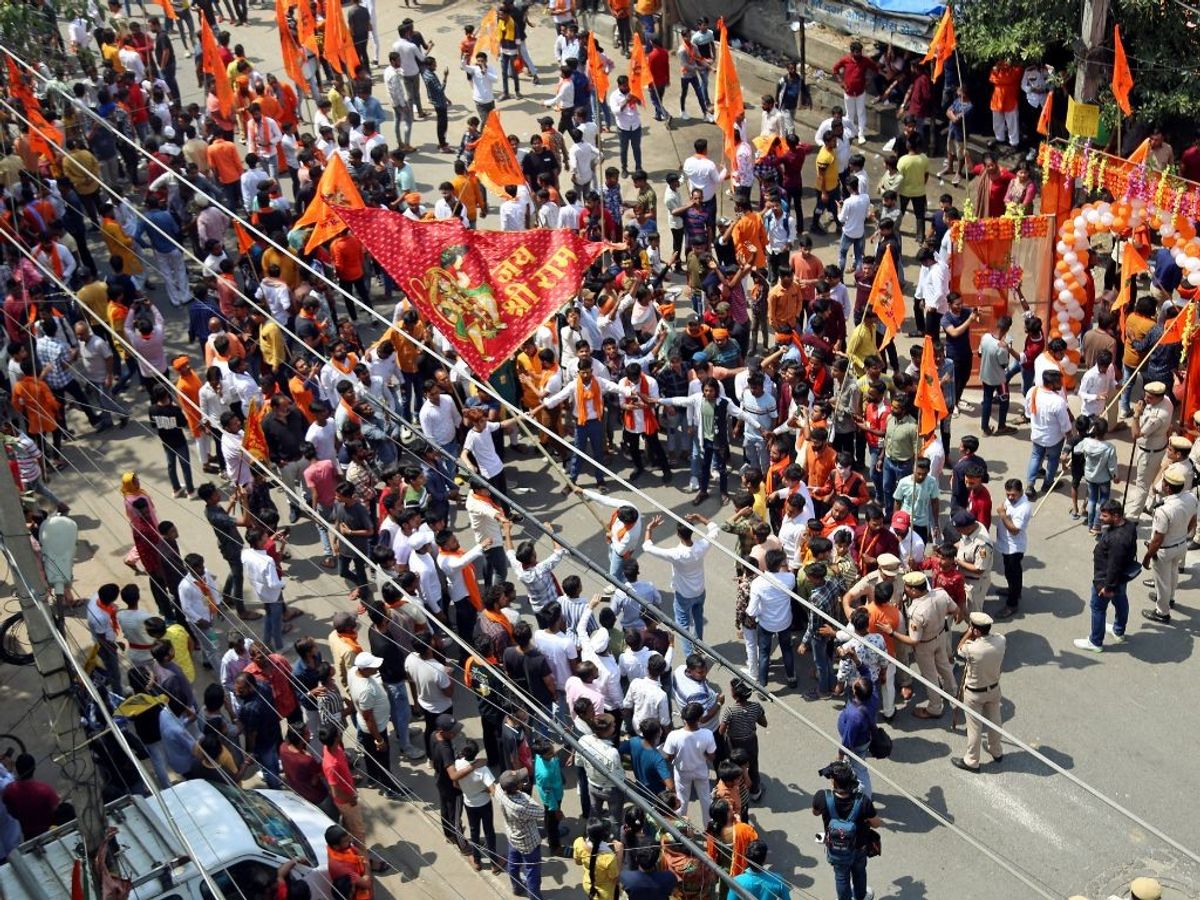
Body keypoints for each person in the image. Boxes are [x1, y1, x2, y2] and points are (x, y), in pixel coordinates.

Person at [641, 512, 718, 656]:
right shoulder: (702, 546)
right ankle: (699, 646)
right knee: (698, 618)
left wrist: (649, 529)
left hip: (683, 595)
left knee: (683, 626)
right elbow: (715, 529)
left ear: (678, 533)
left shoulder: (676, 554)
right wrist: (699, 517)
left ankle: (690, 658)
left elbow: (647, 547)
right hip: (700, 591)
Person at [811, 760, 881, 900]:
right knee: (859, 873)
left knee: (841, 877)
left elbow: (815, 812)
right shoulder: (863, 801)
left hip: (836, 847)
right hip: (858, 846)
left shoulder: (822, 797)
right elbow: (876, 824)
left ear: (834, 782)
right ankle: (861, 897)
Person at [1074, 500, 1138, 652]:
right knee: (1121, 600)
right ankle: (1118, 630)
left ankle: (1095, 642)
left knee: (1098, 608)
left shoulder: (1117, 539)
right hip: (1122, 577)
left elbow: (1114, 566)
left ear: (1116, 516)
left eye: (1104, 516)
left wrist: (1108, 587)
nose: (1100, 518)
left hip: (1106, 579)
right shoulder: (1129, 525)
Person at [952, 611, 1006, 773]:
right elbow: (995, 637)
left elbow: (959, 648)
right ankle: (996, 750)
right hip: (994, 687)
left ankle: (972, 760)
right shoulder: (1001, 641)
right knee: (995, 720)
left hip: (975, 692)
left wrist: (968, 633)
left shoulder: (973, 648)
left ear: (975, 630)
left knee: (974, 727)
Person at [1142, 467, 1197, 624]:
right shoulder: (1191, 498)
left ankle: (1162, 612)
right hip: (1181, 545)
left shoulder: (1163, 510)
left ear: (1167, 487)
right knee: (1173, 574)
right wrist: (1183, 533)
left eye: (1163, 482)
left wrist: (1147, 557)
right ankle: (1169, 599)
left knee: (1162, 582)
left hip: (1165, 550)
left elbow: (1158, 540)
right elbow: (1193, 519)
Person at [662, 700, 716, 823]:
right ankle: (709, 829)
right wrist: (703, 755)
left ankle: (681, 829)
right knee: (706, 800)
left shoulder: (674, 735)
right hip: (701, 770)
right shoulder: (707, 734)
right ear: (699, 718)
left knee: (681, 801)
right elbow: (712, 757)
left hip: (682, 772)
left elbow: (669, 757)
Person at [1126, 381, 1173, 518]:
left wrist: (1136, 414)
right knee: (1152, 480)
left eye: (1149, 398)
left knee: (1142, 485)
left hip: (1148, 453)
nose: (1146, 399)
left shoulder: (1157, 417)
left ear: (1159, 397)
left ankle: (1132, 517)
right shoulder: (1167, 401)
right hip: (1158, 447)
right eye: (1146, 396)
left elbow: (1135, 434)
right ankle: (1150, 504)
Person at [497, 768, 544, 898]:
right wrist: (526, 796)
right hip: (528, 843)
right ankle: (534, 897)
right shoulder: (522, 805)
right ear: (517, 786)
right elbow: (540, 812)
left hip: (512, 837)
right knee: (532, 871)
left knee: (513, 865)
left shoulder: (499, 791)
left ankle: (517, 887)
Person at [994, 479, 1032, 619]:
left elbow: (1015, 530)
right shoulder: (1012, 500)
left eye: (1013, 495)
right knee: (1009, 572)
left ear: (1021, 492)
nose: (1010, 497)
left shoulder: (1023, 508)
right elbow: (1004, 505)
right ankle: (1013, 591)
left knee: (1013, 574)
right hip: (1006, 544)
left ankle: (1012, 604)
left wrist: (1002, 515)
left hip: (1014, 548)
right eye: (1008, 494)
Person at [572, 817, 624, 900]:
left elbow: (578, 862)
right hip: (605, 894)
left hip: (588, 886)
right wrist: (620, 854)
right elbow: (616, 878)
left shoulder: (578, 843)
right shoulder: (608, 858)